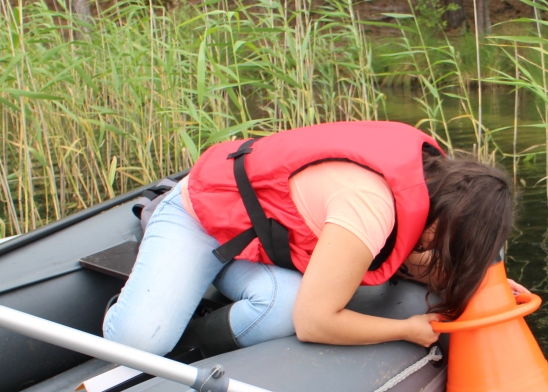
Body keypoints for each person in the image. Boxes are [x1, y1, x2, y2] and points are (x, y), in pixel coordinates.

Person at [103, 120, 517, 357]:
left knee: (280, 308)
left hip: (263, 243)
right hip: (204, 218)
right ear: (438, 227)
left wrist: (487, 279)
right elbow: (315, 323)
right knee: (140, 342)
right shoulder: (370, 206)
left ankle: (193, 328)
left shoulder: (433, 184)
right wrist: (405, 329)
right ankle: (155, 237)